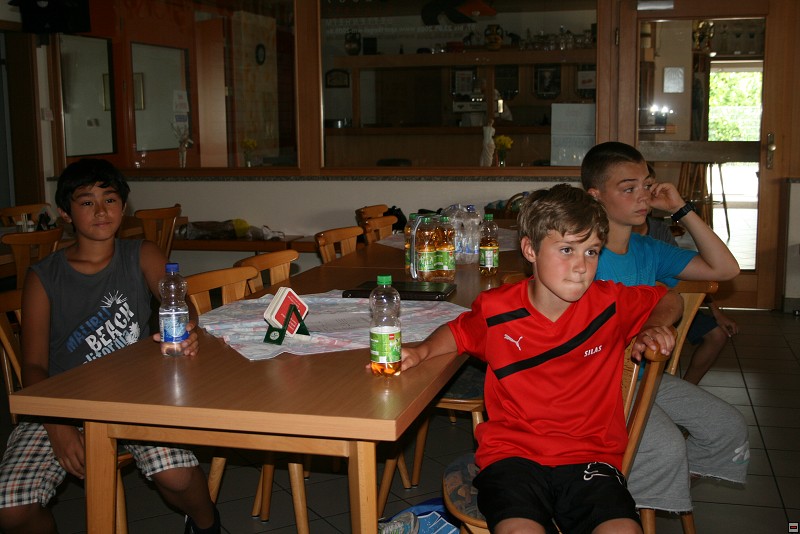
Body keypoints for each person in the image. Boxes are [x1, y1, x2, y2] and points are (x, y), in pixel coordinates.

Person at [400, 184, 683, 534]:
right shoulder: (497, 309)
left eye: (592, 252)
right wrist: (421, 351)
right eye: (566, 249)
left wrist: (653, 326)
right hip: (512, 456)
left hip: (590, 458)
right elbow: (458, 333)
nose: (581, 267)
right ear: (530, 250)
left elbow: (670, 298)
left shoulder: (610, 303)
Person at [0, 159, 220, 534]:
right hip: (61, 402)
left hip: (137, 395)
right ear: (65, 212)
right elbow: (33, 366)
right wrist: (57, 424)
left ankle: (206, 524)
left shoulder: (142, 254)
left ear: (124, 205)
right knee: (11, 509)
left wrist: (188, 329)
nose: (101, 211)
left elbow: (181, 304)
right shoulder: (43, 277)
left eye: (110, 199)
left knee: (179, 477)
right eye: (87, 202)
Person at [581, 141, 749, 517]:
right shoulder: (580, 254)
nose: (643, 196)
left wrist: (680, 208)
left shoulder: (648, 249)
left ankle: (641, 493)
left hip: (644, 376)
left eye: (647, 185)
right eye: (629, 188)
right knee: (666, 447)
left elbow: (726, 269)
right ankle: (626, 503)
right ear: (596, 195)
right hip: (598, 385)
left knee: (727, 426)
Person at [634, 209, 739, 385]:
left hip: (667, 304)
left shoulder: (657, 235)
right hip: (644, 309)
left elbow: (692, 277)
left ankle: (688, 386)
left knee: (717, 335)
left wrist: (717, 313)